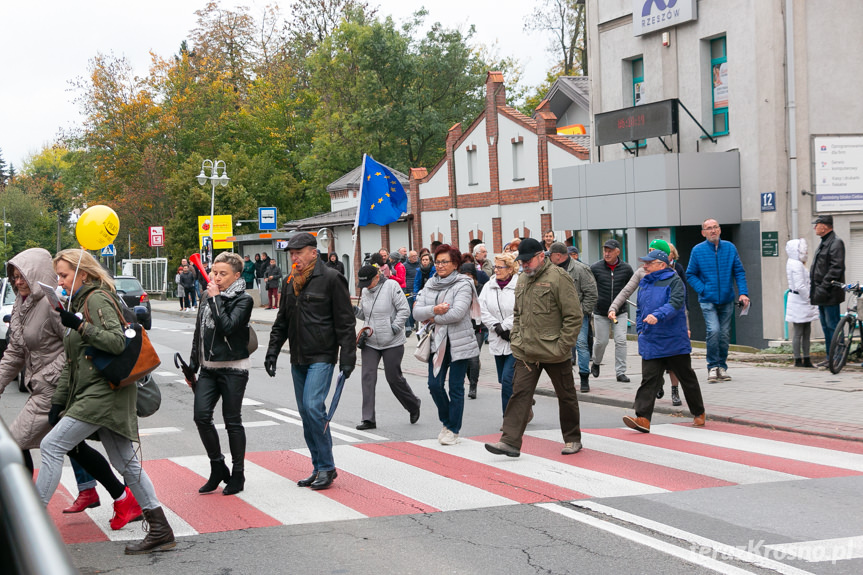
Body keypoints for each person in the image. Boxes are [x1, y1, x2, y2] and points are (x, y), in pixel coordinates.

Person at [38, 249, 175, 555]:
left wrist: (80, 325)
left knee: (51, 446)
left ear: (82, 274)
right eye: (58, 275)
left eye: (63, 275)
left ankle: (30, 525)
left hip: (104, 393)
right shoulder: (78, 303)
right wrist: (57, 403)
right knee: (125, 461)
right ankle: (161, 528)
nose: (59, 281)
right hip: (96, 392)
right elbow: (72, 362)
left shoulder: (96, 299)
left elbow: (116, 342)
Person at [0, 248, 145, 528]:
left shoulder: (53, 305)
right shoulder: (21, 304)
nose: (18, 282)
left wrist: (55, 380)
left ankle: (26, 514)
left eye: (22, 277)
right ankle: (123, 497)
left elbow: (74, 346)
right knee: (74, 448)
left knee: (18, 444)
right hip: (52, 387)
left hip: (55, 388)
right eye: (14, 277)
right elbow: (15, 351)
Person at [265, 233, 356, 490]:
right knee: (306, 414)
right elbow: (281, 320)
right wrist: (272, 351)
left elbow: (346, 322)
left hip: (323, 355)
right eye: (291, 254)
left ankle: (328, 467)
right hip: (298, 357)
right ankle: (318, 466)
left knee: (313, 406)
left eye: (299, 253)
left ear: (313, 252)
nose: (294, 258)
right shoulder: (289, 282)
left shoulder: (331, 279)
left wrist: (348, 357)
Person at [484, 238, 583, 457]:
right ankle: (509, 441)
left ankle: (573, 438)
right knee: (519, 394)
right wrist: (517, 338)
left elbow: (574, 316)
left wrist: (562, 346)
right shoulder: (522, 280)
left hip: (554, 351)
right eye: (522, 261)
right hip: (527, 351)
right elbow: (518, 314)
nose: (525, 265)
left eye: (528, 261)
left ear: (541, 256)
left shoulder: (558, 278)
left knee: (566, 396)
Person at [186, 252, 254, 495]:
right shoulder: (206, 296)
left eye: (222, 274)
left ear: (236, 275)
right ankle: (217, 466)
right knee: (201, 416)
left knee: (232, 420)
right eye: (214, 272)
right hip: (208, 368)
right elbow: (200, 332)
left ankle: (238, 474)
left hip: (234, 367)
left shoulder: (243, 300)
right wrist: (193, 365)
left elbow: (227, 326)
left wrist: (215, 299)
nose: (216, 277)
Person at [621, 250, 706, 433]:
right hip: (651, 339)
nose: (645, 266)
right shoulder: (645, 282)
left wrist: (657, 316)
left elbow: (675, 304)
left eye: (649, 263)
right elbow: (641, 309)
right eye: (645, 263)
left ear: (661, 264)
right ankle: (642, 419)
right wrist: (641, 329)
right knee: (649, 380)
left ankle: (698, 412)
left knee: (686, 378)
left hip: (673, 340)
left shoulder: (674, 280)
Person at [412, 245, 479, 446]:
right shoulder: (431, 284)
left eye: (444, 262)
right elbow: (416, 313)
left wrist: (431, 317)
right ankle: (447, 421)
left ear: (455, 264)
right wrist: (434, 310)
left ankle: (453, 429)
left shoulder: (463, 284)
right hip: (436, 343)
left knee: (456, 387)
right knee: (434, 385)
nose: (440, 266)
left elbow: (457, 313)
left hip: (459, 342)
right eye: (437, 262)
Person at [353, 265, 421, 430]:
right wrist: (354, 310)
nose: (366, 286)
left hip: (392, 342)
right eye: (363, 284)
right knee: (367, 377)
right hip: (370, 341)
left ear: (377, 277)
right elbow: (366, 315)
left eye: (368, 283)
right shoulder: (365, 291)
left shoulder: (391, 286)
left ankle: (413, 404)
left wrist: (394, 328)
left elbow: (404, 310)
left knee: (393, 378)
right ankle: (368, 419)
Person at [686, 219, 749, 382]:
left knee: (724, 334)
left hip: (727, 299)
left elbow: (739, 272)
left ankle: (722, 367)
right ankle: (712, 366)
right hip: (708, 299)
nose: (712, 230)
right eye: (709, 228)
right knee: (713, 331)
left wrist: (743, 293)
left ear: (720, 230)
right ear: (703, 232)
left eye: (715, 227)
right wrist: (703, 289)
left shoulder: (729, 248)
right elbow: (690, 274)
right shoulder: (697, 250)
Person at [547, 242, 597, 392]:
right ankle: (564, 378)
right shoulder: (550, 270)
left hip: (578, 315)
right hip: (557, 317)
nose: (548, 258)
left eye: (550, 255)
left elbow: (592, 294)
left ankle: (584, 378)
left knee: (581, 344)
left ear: (557, 256)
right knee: (560, 346)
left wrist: (580, 313)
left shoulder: (581, 269)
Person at [478, 252, 518, 414]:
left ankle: (508, 418)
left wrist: (506, 326)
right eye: (495, 267)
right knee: (503, 379)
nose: (496, 270)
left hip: (515, 338)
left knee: (508, 380)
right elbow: (481, 309)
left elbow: (521, 309)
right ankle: (525, 405)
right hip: (497, 337)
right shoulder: (489, 286)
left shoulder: (519, 285)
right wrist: (496, 326)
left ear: (510, 269)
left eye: (500, 267)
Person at [590, 239, 634, 382]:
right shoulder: (595, 268)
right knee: (601, 342)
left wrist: (619, 303)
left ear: (617, 252)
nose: (606, 253)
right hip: (601, 311)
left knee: (621, 341)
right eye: (605, 250)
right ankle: (596, 362)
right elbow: (590, 287)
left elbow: (629, 287)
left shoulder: (626, 269)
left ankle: (620, 372)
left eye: (610, 251)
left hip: (620, 311)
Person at [809, 215, 846, 365]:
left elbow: (836, 268)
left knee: (833, 326)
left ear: (824, 226)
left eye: (816, 225)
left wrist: (823, 287)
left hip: (830, 292)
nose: (814, 227)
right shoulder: (825, 242)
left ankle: (838, 357)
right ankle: (830, 357)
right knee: (826, 326)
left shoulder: (836, 243)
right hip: (822, 292)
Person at [785, 239, 819, 368]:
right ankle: (800, 359)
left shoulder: (793, 262)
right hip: (800, 300)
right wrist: (809, 297)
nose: (806, 252)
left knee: (803, 331)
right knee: (801, 331)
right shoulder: (797, 264)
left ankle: (803, 358)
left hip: (800, 300)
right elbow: (800, 285)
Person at [460, 263, 487, 400]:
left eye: (469, 275)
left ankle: (473, 386)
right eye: (464, 275)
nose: (467, 278)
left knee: (474, 358)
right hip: (463, 329)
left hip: (478, 328)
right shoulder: (458, 290)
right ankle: (471, 380)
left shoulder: (481, 288)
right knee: (466, 359)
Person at [403, 250, 421, 335]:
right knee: (409, 308)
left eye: (416, 255)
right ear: (409, 258)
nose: (415, 257)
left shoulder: (420, 264)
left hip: (418, 289)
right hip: (409, 290)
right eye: (413, 256)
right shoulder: (405, 266)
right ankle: (410, 326)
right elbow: (403, 278)